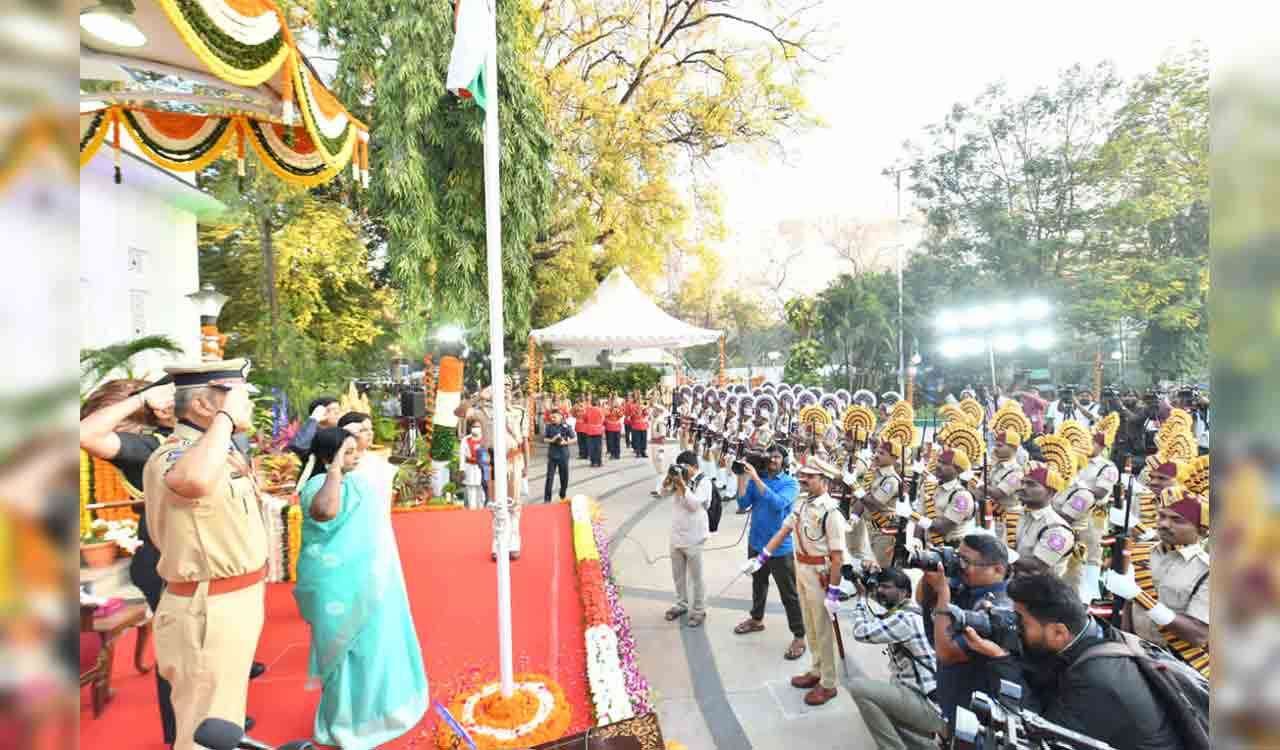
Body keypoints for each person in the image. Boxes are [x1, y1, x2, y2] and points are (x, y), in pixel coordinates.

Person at [144, 359, 267, 750]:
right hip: (208, 608)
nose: (246, 407)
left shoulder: (216, 451)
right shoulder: (176, 454)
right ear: (203, 406)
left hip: (233, 601)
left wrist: (225, 422)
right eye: (237, 399)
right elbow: (192, 480)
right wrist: (227, 419)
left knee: (223, 723)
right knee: (203, 733)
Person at [295, 428, 429, 749]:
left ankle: (383, 711)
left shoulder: (359, 483)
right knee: (348, 652)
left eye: (355, 451)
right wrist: (334, 469)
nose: (356, 456)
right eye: (348, 451)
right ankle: (348, 721)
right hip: (339, 588)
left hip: (375, 582)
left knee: (376, 646)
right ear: (330, 455)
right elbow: (326, 511)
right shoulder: (317, 486)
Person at [965, 574, 1186, 750]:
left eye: (1021, 621)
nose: (1015, 627)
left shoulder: (1099, 681)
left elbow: (1036, 734)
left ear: (1059, 632)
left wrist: (1000, 659)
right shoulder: (1093, 634)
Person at [80, 377, 182, 746]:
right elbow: (86, 433)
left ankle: (201, 723)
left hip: (164, 555)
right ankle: (181, 732)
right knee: (181, 656)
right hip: (162, 562)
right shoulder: (142, 446)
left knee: (190, 652)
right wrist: (140, 397)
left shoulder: (160, 439)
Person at [742, 456, 846, 705]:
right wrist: (762, 558)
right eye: (805, 476)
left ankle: (829, 683)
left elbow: (838, 557)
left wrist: (833, 592)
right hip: (802, 570)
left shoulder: (831, 513)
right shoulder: (802, 504)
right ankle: (816, 670)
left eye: (811, 477)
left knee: (823, 630)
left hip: (820, 574)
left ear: (825, 481)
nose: (805, 480)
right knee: (810, 626)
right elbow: (783, 531)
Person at [917, 533, 1018, 730]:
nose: (958, 565)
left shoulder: (1000, 609)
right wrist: (930, 574)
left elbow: (948, 654)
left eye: (966, 561)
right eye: (957, 556)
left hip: (975, 710)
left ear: (997, 569)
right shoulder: (967, 584)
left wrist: (944, 593)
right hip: (953, 694)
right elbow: (921, 600)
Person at [845, 567, 947, 750]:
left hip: (931, 707)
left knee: (859, 688)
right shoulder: (917, 614)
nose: (880, 591)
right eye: (878, 586)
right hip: (935, 701)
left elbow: (861, 633)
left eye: (886, 587)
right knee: (890, 688)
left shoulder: (904, 618)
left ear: (904, 592)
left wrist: (861, 599)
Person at [1104, 489, 1210, 651]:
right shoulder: (1139, 552)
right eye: (1161, 516)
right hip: (1136, 650)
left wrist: (1138, 595)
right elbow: (1127, 609)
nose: (1164, 524)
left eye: (1177, 520)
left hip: (1180, 661)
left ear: (1201, 530)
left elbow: (1197, 635)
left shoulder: (1208, 570)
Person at [733, 445, 808, 663]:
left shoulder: (790, 483)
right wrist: (741, 477)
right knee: (758, 583)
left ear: (785, 461)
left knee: (789, 593)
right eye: (770, 456)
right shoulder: (760, 476)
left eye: (776, 457)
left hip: (779, 549)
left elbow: (778, 504)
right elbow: (742, 503)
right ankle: (756, 619)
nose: (772, 460)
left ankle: (799, 635)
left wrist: (756, 478)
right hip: (756, 542)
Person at [662, 451, 713, 627]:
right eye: (680, 467)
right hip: (676, 535)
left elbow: (694, 505)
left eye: (685, 467)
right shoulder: (679, 479)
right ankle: (681, 604)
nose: (682, 470)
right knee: (678, 575)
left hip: (695, 536)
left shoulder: (703, 481)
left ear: (694, 467)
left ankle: (699, 610)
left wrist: (682, 485)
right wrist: (669, 480)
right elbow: (661, 492)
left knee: (696, 577)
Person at [1014, 466, 1077, 578]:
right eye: (1022, 483)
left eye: (1031, 484)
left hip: (1041, 590)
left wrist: (1001, 554)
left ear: (1050, 492)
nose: (1023, 487)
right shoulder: (1017, 513)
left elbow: (1037, 565)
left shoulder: (1057, 530)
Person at [916, 449, 978, 544]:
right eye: (939, 461)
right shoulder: (928, 486)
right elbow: (920, 519)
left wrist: (910, 515)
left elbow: (943, 528)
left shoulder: (962, 496)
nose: (938, 465)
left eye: (945, 463)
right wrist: (916, 542)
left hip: (950, 548)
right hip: (927, 545)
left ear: (958, 470)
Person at [289, 396, 342, 473]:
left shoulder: (340, 433)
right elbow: (298, 446)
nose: (338, 414)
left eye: (339, 411)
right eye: (334, 411)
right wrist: (314, 419)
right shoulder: (312, 435)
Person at [544, 410, 574, 502]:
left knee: (564, 477)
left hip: (563, 455)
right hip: (552, 455)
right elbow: (545, 439)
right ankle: (547, 498)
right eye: (551, 417)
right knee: (549, 477)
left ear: (560, 417)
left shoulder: (566, 427)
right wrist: (552, 440)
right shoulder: (549, 427)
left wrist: (565, 442)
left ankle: (562, 495)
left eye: (554, 417)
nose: (552, 419)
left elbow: (574, 439)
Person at [461, 418, 486, 509]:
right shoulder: (465, 439)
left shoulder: (485, 438)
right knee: (471, 490)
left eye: (478, 426)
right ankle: (472, 511)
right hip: (470, 467)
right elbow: (462, 456)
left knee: (482, 491)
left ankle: (482, 510)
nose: (476, 428)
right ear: (470, 427)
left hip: (482, 468)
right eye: (474, 426)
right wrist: (462, 469)